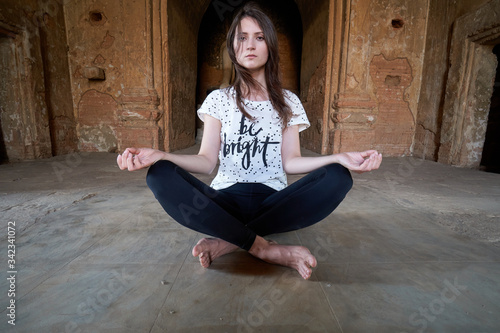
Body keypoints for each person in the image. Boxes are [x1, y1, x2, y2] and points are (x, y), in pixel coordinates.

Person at [117, 3, 382, 280]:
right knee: (159, 174)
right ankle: (264, 248)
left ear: (270, 47)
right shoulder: (218, 100)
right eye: (242, 37)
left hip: (274, 201)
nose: (250, 45)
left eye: (259, 37)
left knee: (340, 177)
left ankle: (229, 239)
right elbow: (206, 162)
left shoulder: (288, 101)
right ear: (232, 47)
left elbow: (290, 162)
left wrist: (338, 157)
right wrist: (161, 155)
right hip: (224, 199)